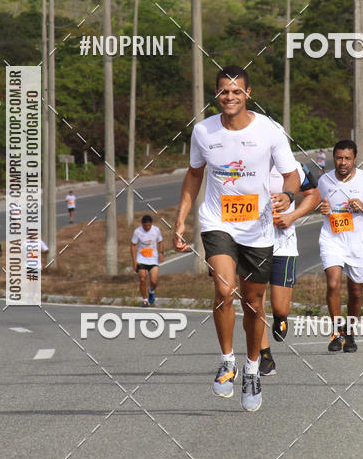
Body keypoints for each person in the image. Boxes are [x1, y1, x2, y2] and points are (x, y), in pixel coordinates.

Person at [173, 64, 299, 412]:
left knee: (254, 304)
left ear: (248, 94)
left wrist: (287, 196)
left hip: (257, 228)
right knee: (224, 290)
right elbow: (194, 174)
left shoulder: (270, 132)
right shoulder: (203, 131)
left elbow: (292, 176)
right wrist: (181, 220)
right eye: (224, 91)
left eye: (236, 91)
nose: (230, 97)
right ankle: (227, 360)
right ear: (216, 94)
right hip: (218, 222)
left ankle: (253, 368)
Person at [318, 140, 363, 353]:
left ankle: (350, 332)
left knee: (356, 292)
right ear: (333, 158)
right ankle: (336, 332)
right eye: (339, 158)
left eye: (347, 158)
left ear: (354, 159)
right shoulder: (324, 180)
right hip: (332, 238)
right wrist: (321, 208)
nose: (343, 162)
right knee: (333, 283)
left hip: (358, 243)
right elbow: (315, 202)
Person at [259, 161, 321, 376]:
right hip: (252, 244)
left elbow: (314, 195)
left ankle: (280, 319)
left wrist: (292, 216)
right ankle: (265, 356)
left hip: (283, 246)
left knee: (280, 307)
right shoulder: (243, 164)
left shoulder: (293, 166)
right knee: (253, 302)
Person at [130, 214, 164, 306]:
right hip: (141, 259)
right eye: (145, 226)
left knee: (154, 281)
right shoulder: (137, 232)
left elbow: (160, 242)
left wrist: (161, 253)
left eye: (149, 225)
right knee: (142, 279)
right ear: (142, 224)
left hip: (153, 259)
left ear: (151, 224)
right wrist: (134, 261)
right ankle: (145, 300)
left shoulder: (156, 230)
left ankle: (151, 291)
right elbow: (133, 245)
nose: (147, 227)